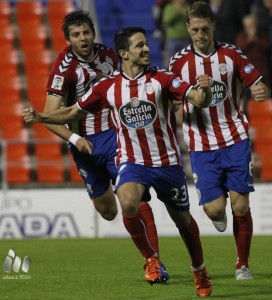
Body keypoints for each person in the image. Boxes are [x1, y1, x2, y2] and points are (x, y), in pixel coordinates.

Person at [23, 27, 213, 298]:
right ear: (124, 54)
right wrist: (41, 117)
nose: (146, 49)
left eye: (146, 44)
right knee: (127, 202)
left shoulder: (162, 77)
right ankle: (151, 258)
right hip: (132, 160)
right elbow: (73, 111)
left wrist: (203, 92)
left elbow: (196, 98)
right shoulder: (107, 86)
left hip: (167, 161)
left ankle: (199, 268)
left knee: (182, 219)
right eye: (140, 46)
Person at [42, 10, 168, 284]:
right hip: (83, 145)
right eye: (76, 35)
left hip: (114, 137)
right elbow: (49, 116)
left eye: (86, 32)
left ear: (93, 33)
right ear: (68, 40)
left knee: (133, 199)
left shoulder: (111, 56)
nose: (83, 38)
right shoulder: (64, 68)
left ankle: (154, 260)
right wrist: (75, 139)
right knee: (108, 211)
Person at [169, 1, 270, 280]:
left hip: (234, 137)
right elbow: (173, 100)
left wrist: (259, 89)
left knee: (241, 205)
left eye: (205, 29)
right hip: (201, 145)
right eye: (195, 30)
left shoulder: (231, 54)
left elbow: (255, 81)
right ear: (188, 29)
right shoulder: (178, 63)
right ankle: (217, 212)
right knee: (215, 211)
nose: (200, 35)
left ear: (213, 26)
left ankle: (243, 265)